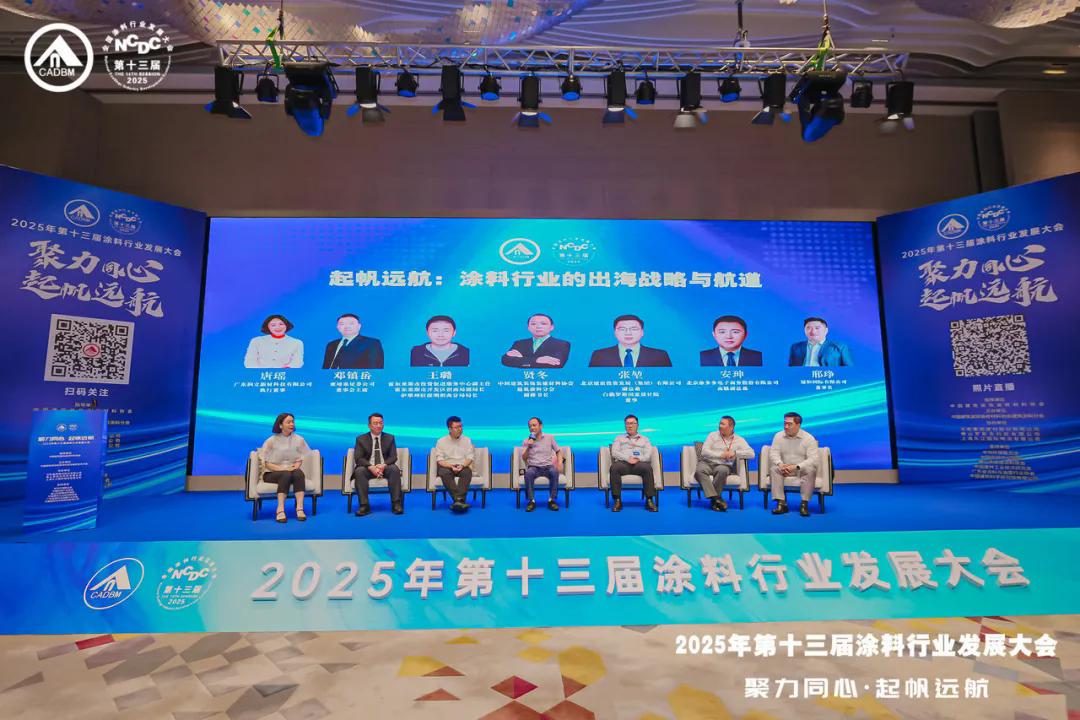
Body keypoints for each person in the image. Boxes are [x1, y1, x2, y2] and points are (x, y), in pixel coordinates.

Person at [694, 415, 755, 511]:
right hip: (707, 462)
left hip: (724, 465)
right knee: (699, 471)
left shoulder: (739, 440)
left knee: (722, 471)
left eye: (723, 424)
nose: (720, 426)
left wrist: (735, 453)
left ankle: (714, 500)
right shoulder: (712, 435)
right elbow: (704, 451)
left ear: (731, 427)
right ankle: (716, 499)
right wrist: (720, 455)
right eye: (720, 424)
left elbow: (752, 454)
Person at [258, 412, 310, 523]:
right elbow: (267, 463)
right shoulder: (271, 441)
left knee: (299, 473)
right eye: (288, 422)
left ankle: (300, 509)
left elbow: (300, 459)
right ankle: (280, 509)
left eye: (292, 422)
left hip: (291, 471)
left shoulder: (299, 439)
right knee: (286, 474)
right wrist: (285, 469)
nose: (291, 424)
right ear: (280, 425)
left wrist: (296, 466)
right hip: (272, 473)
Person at [351, 412, 403, 516]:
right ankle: (364, 506)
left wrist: (383, 465)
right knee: (359, 471)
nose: (379, 426)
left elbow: (393, 456)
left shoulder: (390, 438)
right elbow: (359, 458)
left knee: (394, 469)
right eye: (375, 423)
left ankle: (396, 504)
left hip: (385, 467)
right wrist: (371, 467)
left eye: (381, 423)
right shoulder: (361, 439)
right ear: (369, 425)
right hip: (368, 468)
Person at [768, 412, 819, 517]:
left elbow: (813, 459)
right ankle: (781, 503)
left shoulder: (808, 438)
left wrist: (797, 467)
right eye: (785, 423)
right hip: (785, 468)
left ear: (798, 425)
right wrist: (780, 464)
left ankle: (804, 504)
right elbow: (773, 453)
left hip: (801, 469)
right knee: (774, 469)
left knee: (810, 470)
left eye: (789, 424)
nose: (786, 427)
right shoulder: (778, 436)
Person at [609, 414, 657, 512]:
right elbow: (614, 452)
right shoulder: (619, 438)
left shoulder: (645, 439)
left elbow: (648, 455)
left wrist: (638, 459)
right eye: (627, 423)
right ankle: (617, 500)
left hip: (639, 464)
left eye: (632, 423)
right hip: (624, 463)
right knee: (614, 468)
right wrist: (628, 458)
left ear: (637, 425)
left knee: (647, 468)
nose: (630, 426)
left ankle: (649, 500)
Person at [588, 315, 672, 368]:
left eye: (634, 329)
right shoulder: (599, 355)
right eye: (622, 329)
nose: (628, 333)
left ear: (642, 332)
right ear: (615, 333)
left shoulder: (660, 356)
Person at [521, 417, 562, 512]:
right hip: (534, 467)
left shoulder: (550, 437)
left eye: (534, 425)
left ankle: (551, 500)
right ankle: (531, 501)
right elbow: (524, 458)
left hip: (548, 466)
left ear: (541, 426)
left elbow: (558, 451)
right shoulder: (526, 441)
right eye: (530, 426)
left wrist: (560, 463)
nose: (532, 428)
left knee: (554, 472)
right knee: (528, 473)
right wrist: (529, 446)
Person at [434, 415, 474, 513]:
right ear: (450, 429)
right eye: (457, 427)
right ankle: (459, 500)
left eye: (461, 426)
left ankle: (457, 502)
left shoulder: (467, 440)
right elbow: (440, 460)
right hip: (447, 466)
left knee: (467, 472)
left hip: (462, 465)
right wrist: (451, 466)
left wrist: (462, 466)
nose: (460, 429)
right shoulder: (441, 441)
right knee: (444, 472)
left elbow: (470, 457)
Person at [502, 313, 571, 368]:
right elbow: (506, 361)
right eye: (533, 324)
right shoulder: (519, 343)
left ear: (552, 327)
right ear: (528, 328)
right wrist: (537, 360)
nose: (538, 326)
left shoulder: (562, 344)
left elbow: (557, 364)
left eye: (543, 323)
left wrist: (522, 359)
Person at [788, 317, 854, 366]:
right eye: (808, 328)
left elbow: (850, 371)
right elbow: (791, 370)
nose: (813, 331)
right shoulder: (796, 347)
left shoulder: (840, 347)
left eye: (817, 328)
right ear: (804, 330)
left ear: (826, 330)